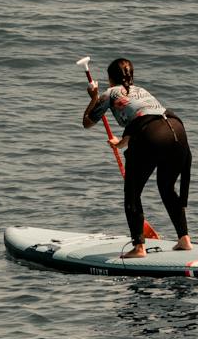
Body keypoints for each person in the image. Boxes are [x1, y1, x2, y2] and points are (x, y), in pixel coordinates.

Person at [82, 57, 192, 257]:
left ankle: (139, 247)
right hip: (176, 129)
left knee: (132, 193)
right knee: (167, 188)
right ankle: (184, 239)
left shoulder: (110, 93)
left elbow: (87, 122)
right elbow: (146, 118)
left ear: (110, 78)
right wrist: (122, 142)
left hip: (151, 134)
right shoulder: (142, 91)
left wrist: (93, 97)